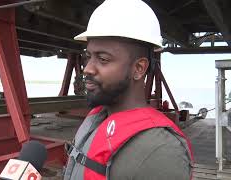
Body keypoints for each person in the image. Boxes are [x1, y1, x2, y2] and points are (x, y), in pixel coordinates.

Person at [63, 0, 193, 179]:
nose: (87, 68)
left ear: (139, 68)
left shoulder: (161, 152)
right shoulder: (98, 118)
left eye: (103, 59)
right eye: (88, 56)